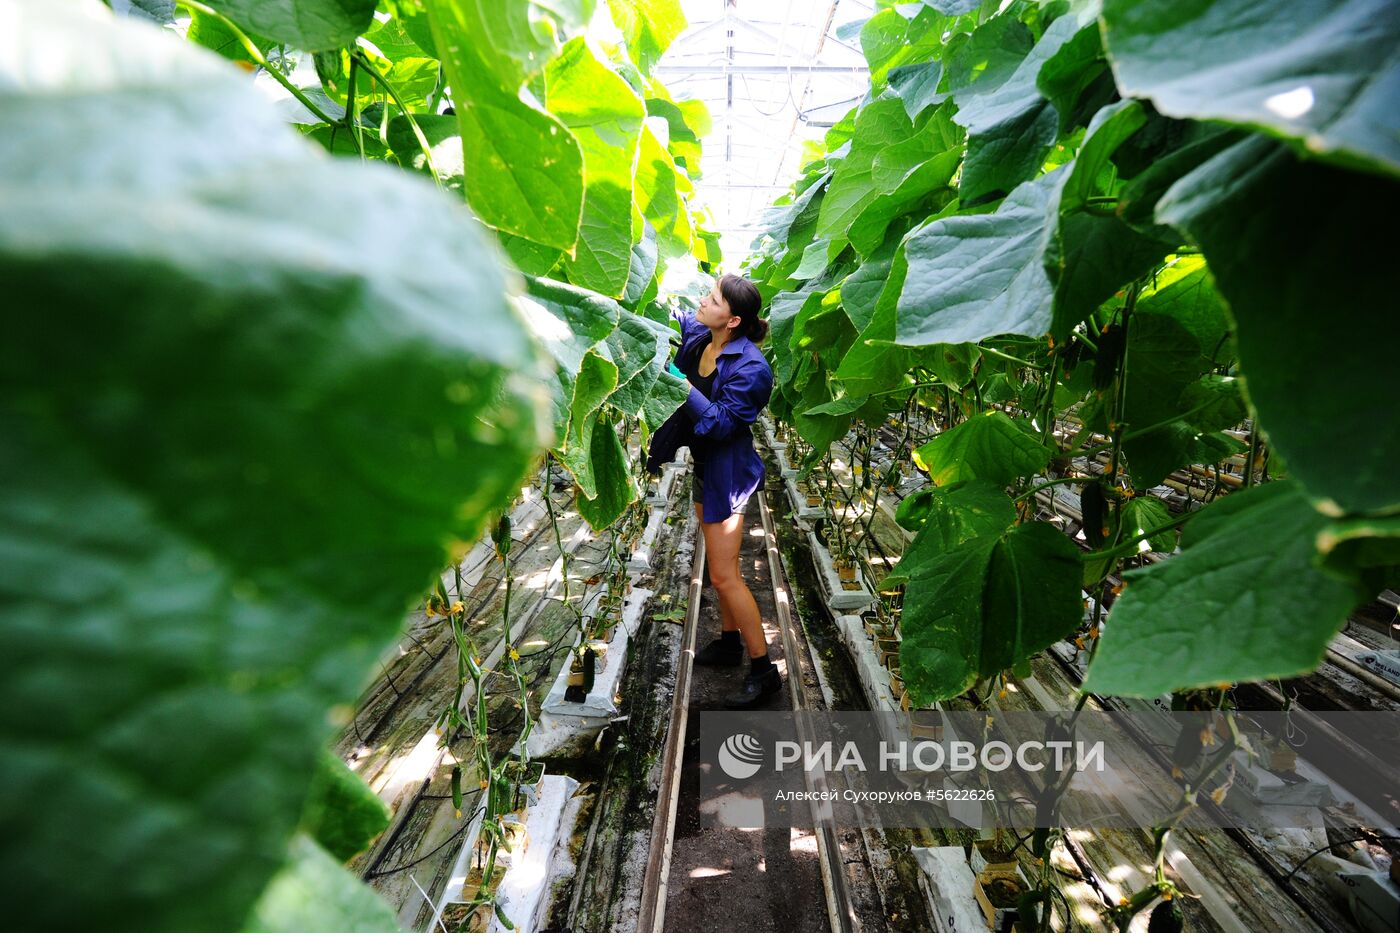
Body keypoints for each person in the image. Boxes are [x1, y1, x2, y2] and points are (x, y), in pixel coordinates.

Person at [667, 274, 779, 709]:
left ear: (732, 320)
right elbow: (676, 320)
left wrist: (681, 382)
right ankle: (729, 641)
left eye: (711, 299)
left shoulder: (752, 367)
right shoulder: (704, 338)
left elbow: (717, 424)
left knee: (724, 575)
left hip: (727, 474)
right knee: (720, 566)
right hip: (705, 467)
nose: (702, 300)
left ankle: (764, 670)